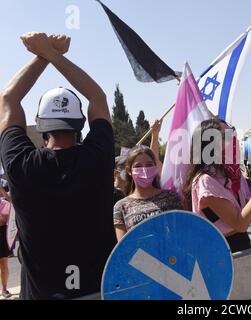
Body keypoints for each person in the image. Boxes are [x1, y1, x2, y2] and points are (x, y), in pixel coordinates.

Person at [0, 32, 117, 299]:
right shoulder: (97, 158)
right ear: (80, 126)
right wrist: (54, 55)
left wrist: (42, 55)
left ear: (41, 126)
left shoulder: (21, 165)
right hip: (98, 291)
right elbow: (97, 97)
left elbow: (8, 99)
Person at [183, 118, 251, 253]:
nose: (233, 139)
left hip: (241, 243)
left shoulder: (232, 174)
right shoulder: (205, 181)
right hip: (222, 252)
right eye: (225, 136)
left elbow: (249, 211)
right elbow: (240, 223)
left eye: (232, 133)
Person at [114, 145, 183, 241]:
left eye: (149, 165)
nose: (144, 170)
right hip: (139, 256)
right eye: (138, 166)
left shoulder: (171, 197)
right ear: (129, 171)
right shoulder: (121, 206)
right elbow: (123, 247)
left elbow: (182, 232)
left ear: (155, 167)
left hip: (172, 255)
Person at [0, 197, 12, 299]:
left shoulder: (4, 203)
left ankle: (4, 289)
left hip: (2, 234)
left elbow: (5, 218)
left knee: (4, 263)